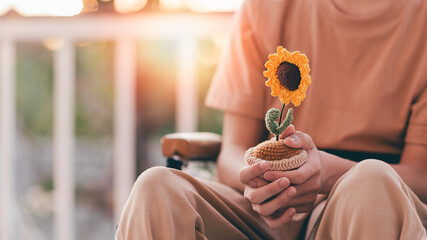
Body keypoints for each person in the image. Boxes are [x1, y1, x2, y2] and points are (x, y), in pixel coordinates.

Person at [116, 0, 427, 239]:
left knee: (372, 181)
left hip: (357, 197)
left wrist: (326, 174)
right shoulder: (265, 6)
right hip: (257, 202)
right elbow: (233, 151)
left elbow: (420, 176)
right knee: (155, 188)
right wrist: (260, 183)